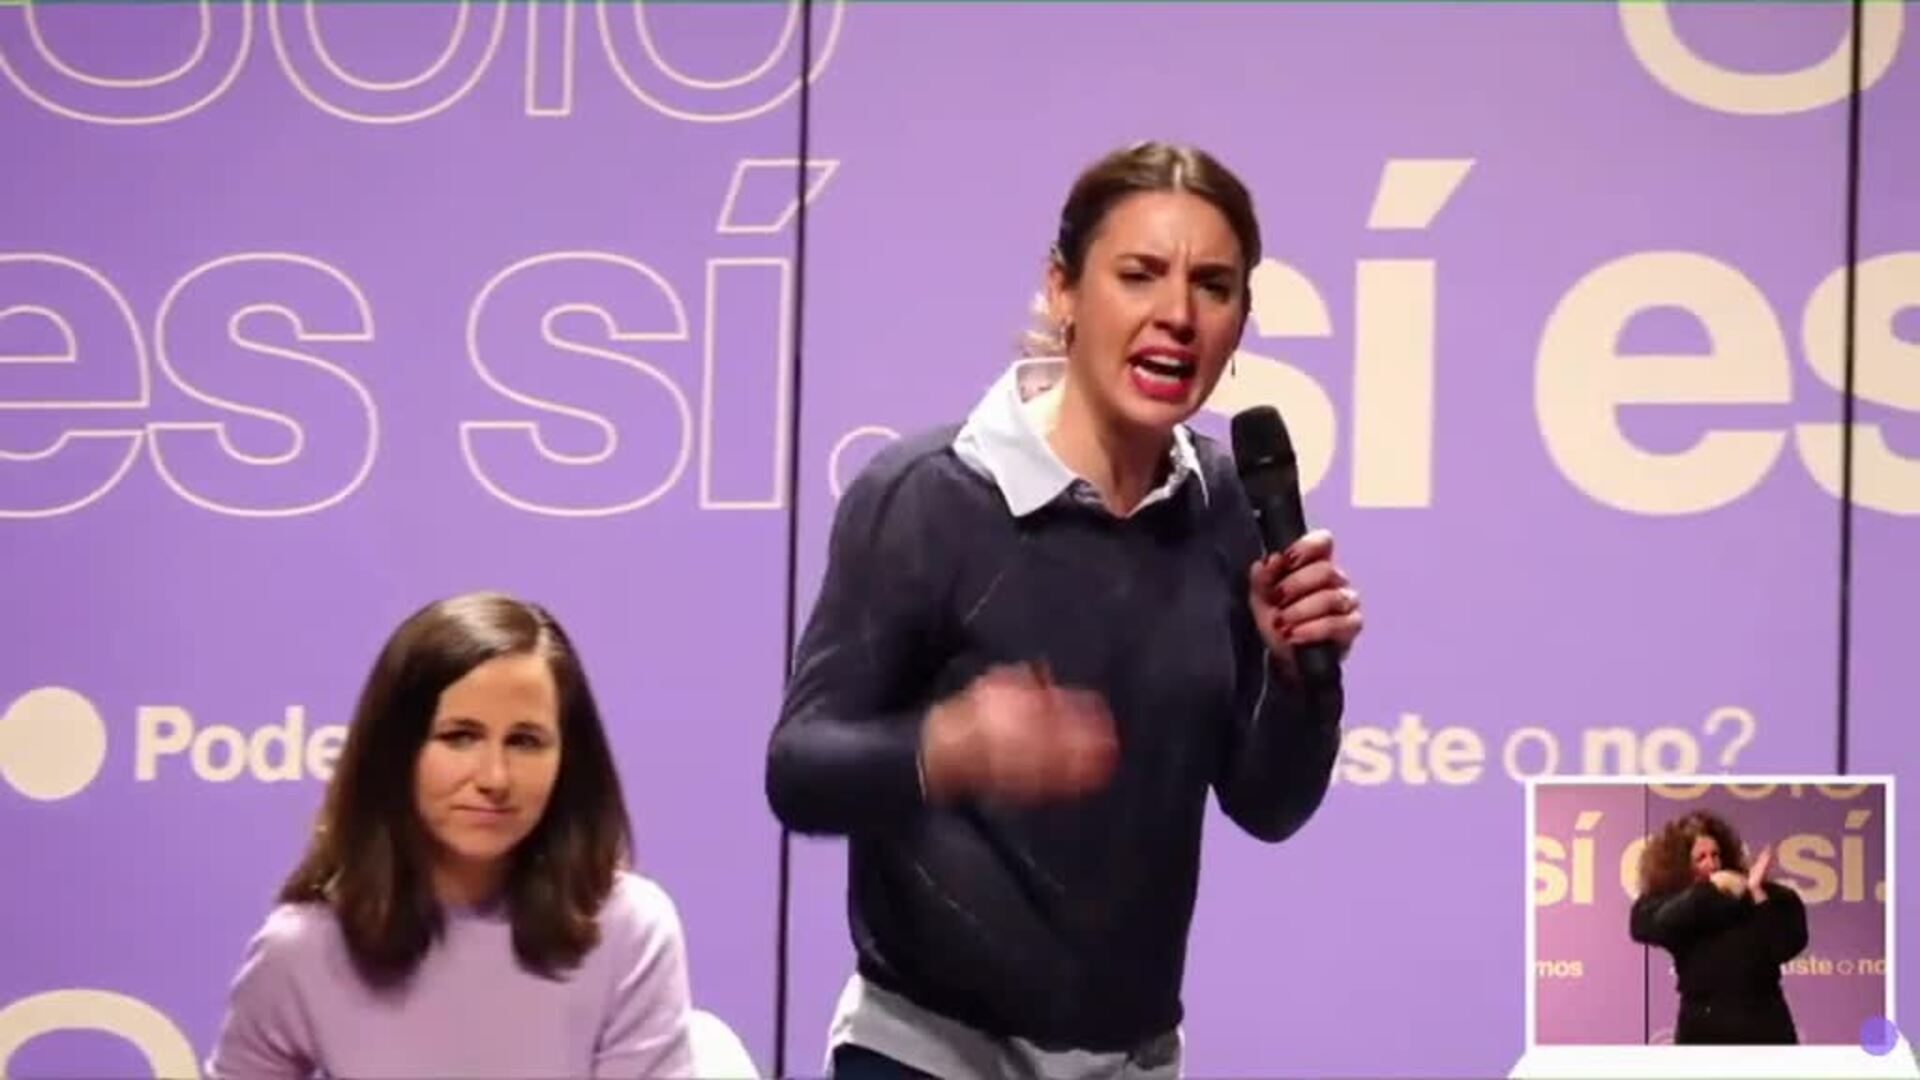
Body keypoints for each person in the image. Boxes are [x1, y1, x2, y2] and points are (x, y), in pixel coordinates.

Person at [766, 141, 1364, 1079]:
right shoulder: (929, 497)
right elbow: (798, 771)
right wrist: (949, 748)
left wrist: (1295, 683)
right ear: (1063, 290)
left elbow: (1270, 806)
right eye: (1139, 274)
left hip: (1133, 1057)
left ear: (1241, 323)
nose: (1178, 314)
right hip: (925, 1052)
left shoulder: (1226, 507)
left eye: (1213, 286)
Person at [206, 592, 696, 1079]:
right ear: (395, 751)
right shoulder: (301, 948)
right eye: (460, 736)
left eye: (525, 741)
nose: (495, 777)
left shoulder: (629, 929)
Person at [1629, 808, 1808, 1045]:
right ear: (1681, 865)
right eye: (1701, 858)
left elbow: (1784, 945)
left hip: (1765, 1023)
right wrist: (1710, 889)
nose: (1712, 864)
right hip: (1702, 1026)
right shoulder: (1674, 903)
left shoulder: (1755, 893)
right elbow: (1647, 926)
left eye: (1715, 855)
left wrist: (1756, 893)